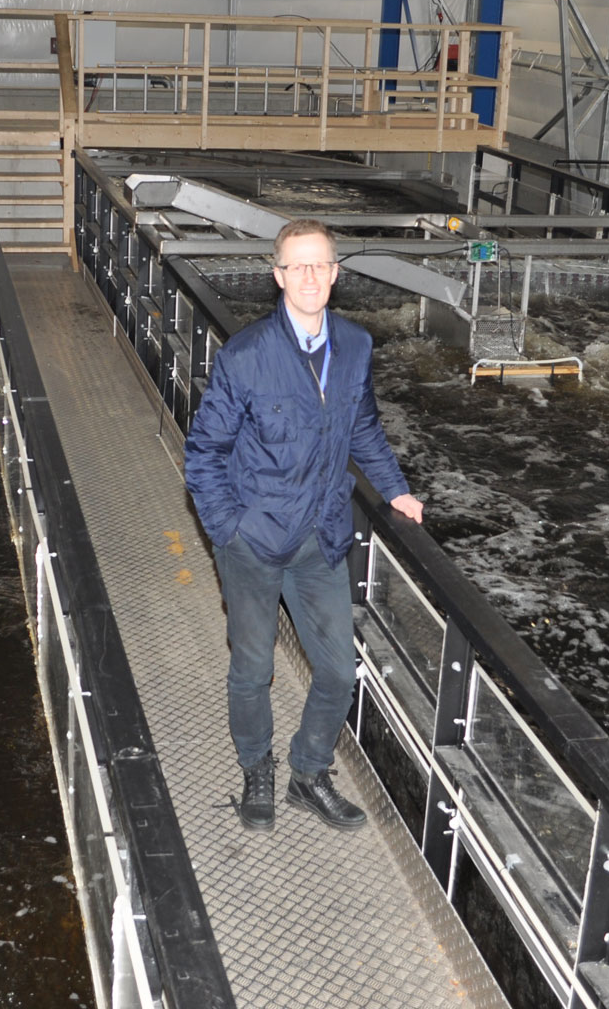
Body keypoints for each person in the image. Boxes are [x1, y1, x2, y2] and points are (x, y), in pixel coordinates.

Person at [183, 218, 424, 832]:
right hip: (255, 541)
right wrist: (227, 530)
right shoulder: (246, 356)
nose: (310, 277)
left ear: (337, 273)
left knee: (340, 671)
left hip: (322, 536)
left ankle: (307, 774)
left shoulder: (357, 346)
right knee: (252, 669)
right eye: (298, 266)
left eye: (321, 265)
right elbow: (204, 452)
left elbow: (363, 427)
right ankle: (256, 769)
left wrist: (396, 491)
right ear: (278, 275)